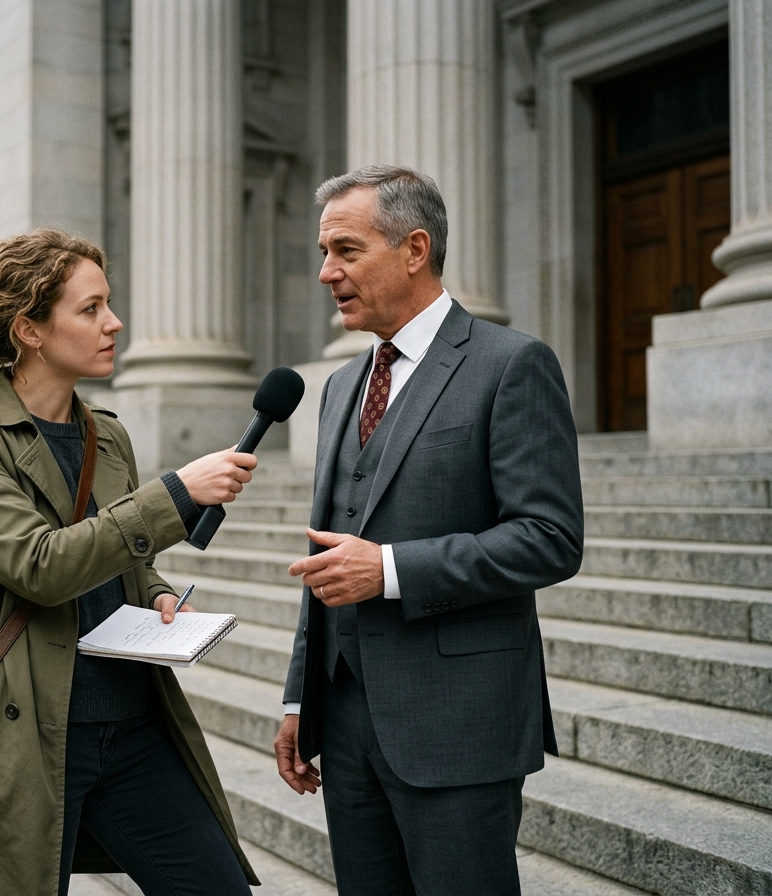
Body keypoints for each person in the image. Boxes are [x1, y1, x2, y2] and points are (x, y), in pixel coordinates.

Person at [276, 166, 584, 895]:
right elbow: (327, 556)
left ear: (414, 249)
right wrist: (299, 700)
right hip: (345, 722)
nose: (327, 273)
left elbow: (549, 536)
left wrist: (388, 570)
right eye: (325, 253)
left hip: (458, 724)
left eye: (346, 251)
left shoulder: (512, 366)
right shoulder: (342, 384)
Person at [0, 229, 260, 896]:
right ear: (31, 330)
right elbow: (40, 565)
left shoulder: (106, 433)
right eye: (91, 309)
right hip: (29, 731)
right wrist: (175, 494)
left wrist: (158, 592)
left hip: (133, 724)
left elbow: (116, 552)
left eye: (108, 304)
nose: (115, 323)